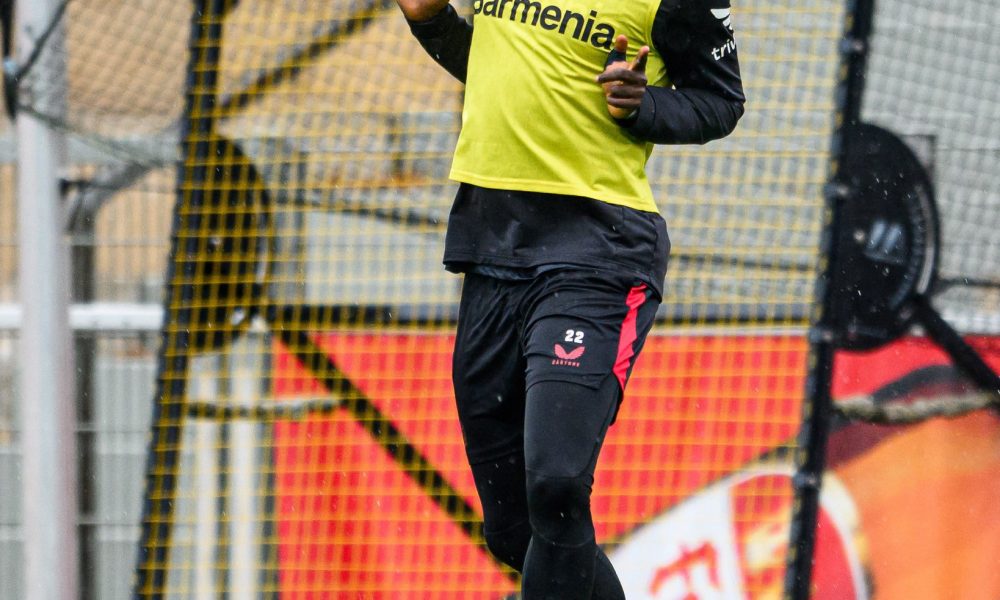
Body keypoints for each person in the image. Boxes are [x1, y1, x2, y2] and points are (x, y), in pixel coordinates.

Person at [393, 0, 744, 596]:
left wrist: (643, 105)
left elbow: (721, 101)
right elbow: (487, 63)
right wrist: (430, 21)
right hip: (493, 246)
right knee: (514, 530)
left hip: (597, 253)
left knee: (556, 484)